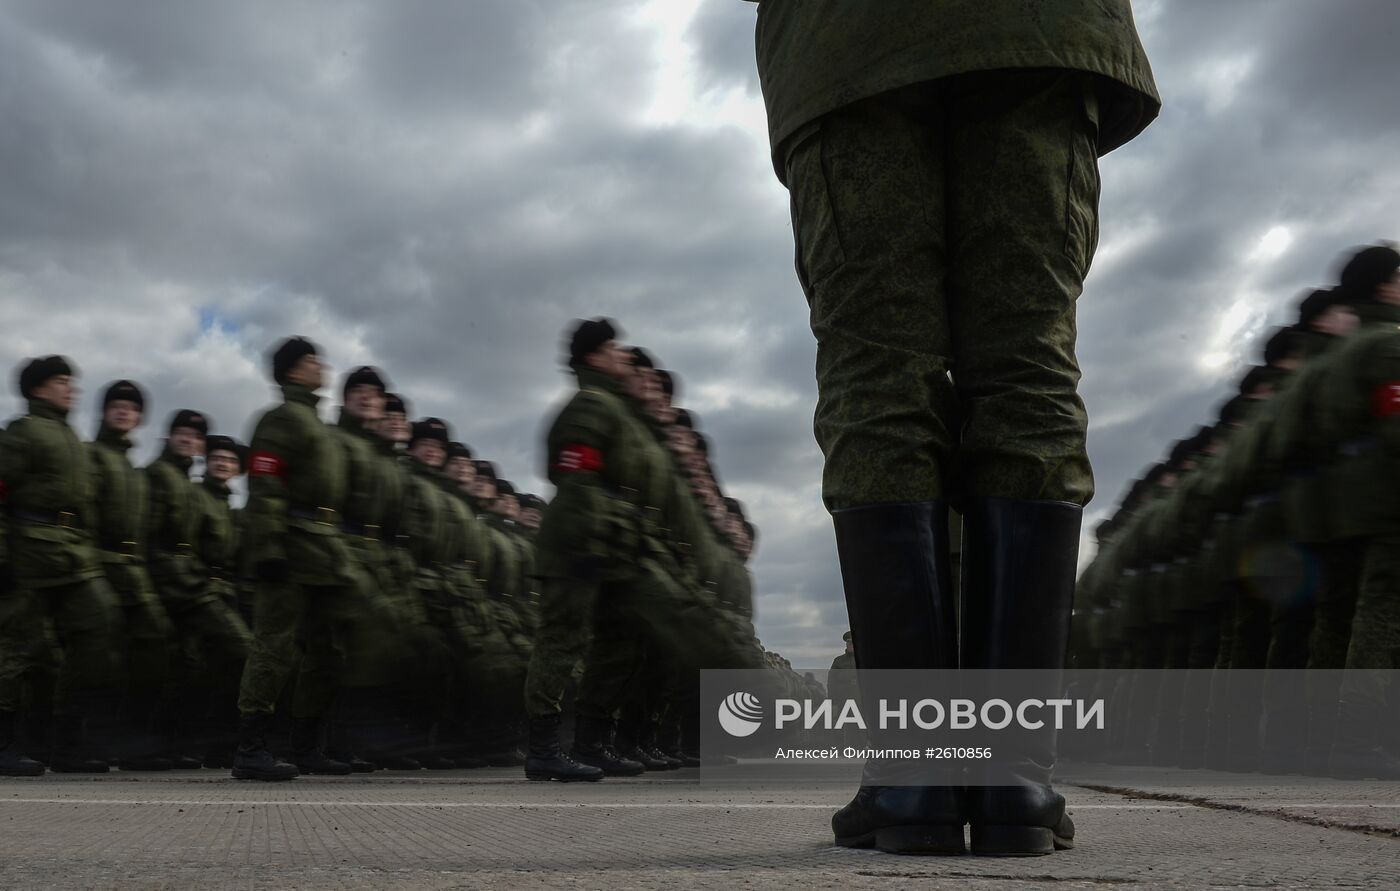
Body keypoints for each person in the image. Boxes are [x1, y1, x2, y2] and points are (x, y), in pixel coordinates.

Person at [751, 0, 1159, 856]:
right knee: (1027, 366)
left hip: (849, 41)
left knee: (878, 376)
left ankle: (916, 775)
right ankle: (1014, 775)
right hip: (1037, 28)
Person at [232, 337, 379, 781]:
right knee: (274, 646)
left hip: (324, 551)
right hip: (291, 546)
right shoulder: (280, 420)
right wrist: (269, 549)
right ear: (294, 371)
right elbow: (266, 486)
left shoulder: (321, 429)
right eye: (314, 361)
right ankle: (250, 747)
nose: (322, 366)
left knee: (329, 650)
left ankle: (306, 745)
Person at [0, 357, 120, 775]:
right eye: (60, 381)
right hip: (29, 551)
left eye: (71, 381)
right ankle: (5, 744)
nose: (70, 388)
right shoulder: (23, 432)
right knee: (16, 648)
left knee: (99, 628)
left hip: (74, 555)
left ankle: (66, 741)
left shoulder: (72, 437)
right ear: (36, 389)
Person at [147, 409, 251, 768]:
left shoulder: (231, 508)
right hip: (193, 588)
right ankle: (170, 744)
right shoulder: (193, 495)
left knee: (205, 671)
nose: (223, 463)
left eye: (230, 460)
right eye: (217, 458)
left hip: (218, 592)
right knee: (217, 660)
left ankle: (206, 745)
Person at [87, 380, 175, 771]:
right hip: (99, 565)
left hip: (135, 573)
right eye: (117, 405)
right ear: (104, 412)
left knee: (153, 647)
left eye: (132, 407)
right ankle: (81, 742)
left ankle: (129, 739)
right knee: (98, 658)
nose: (124, 411)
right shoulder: (92, 457)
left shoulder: (135, 473)